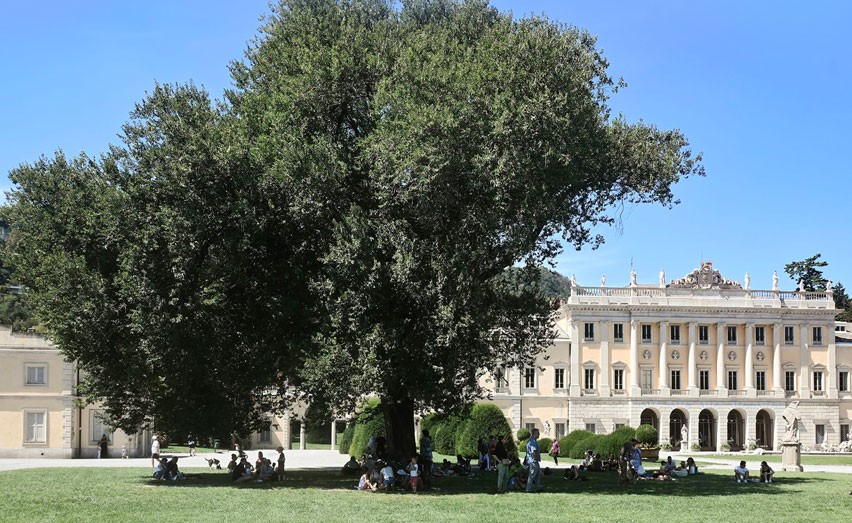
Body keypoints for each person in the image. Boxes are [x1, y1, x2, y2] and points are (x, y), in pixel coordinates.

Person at [525, 428, 541, 493]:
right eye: (538, 433)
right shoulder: (532, 442)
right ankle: (528, 489)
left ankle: (538, 488)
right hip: (533, 461)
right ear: (535, 434)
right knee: (532, 475)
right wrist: (536, 459)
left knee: (537, 475)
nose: (539, 434)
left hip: (534, 461)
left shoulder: (532, 441)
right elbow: (533, 452)